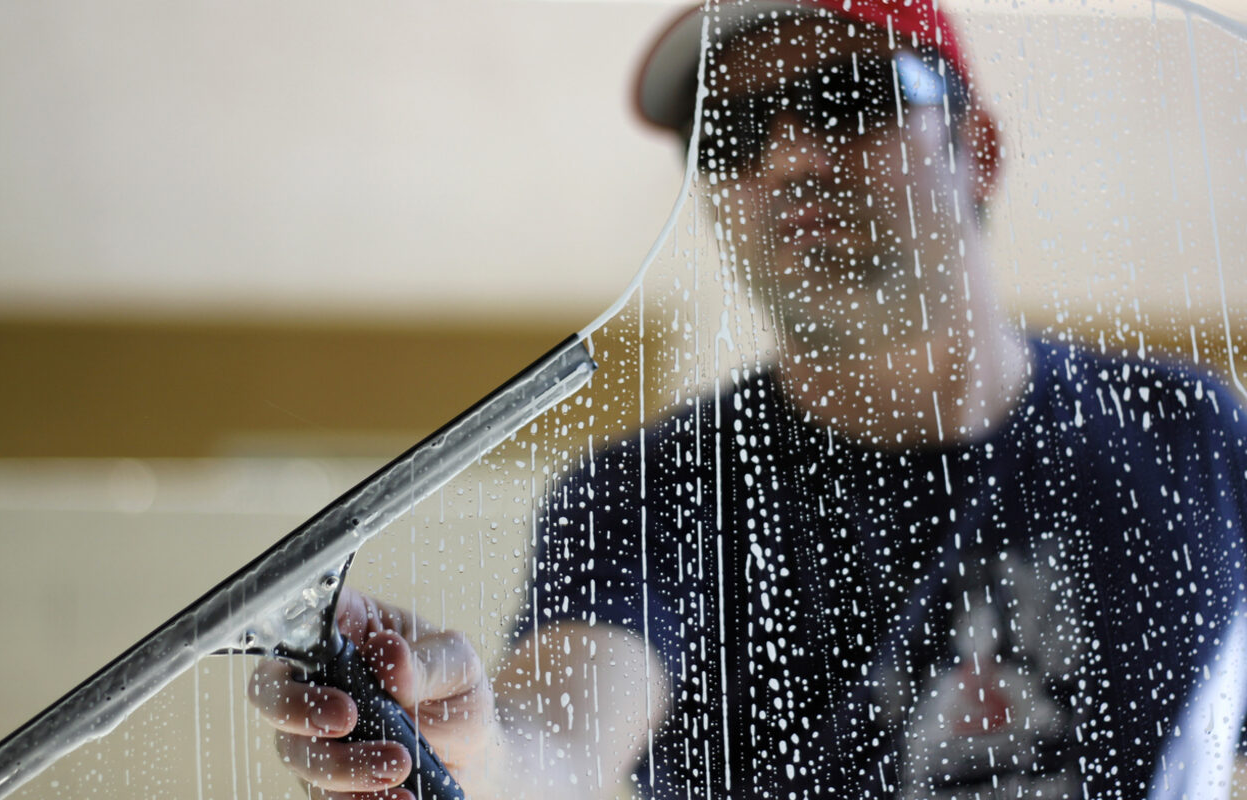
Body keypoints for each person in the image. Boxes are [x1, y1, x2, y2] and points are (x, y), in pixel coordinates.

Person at [248, 1, 1247, 798]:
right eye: (729, 130)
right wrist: (461, 736)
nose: (785, 158)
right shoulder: (645, 492)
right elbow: (559, 734)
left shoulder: (1190, 435)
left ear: (974, 147)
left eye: (846, 97)